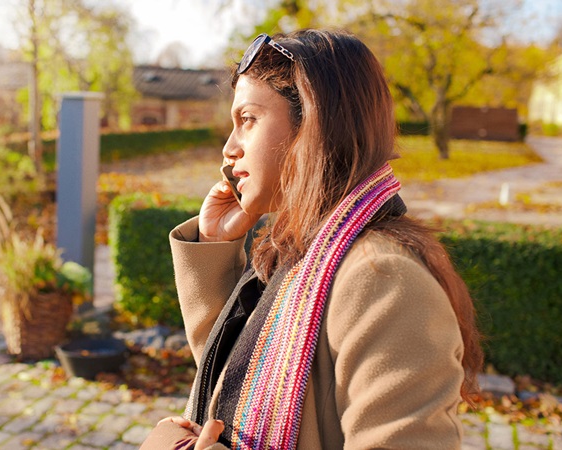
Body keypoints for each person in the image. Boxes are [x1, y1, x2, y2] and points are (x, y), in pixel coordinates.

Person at [140, 28, 483, 449]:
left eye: (247, 119)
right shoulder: (304, 247)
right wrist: (213, 246)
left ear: (315, 125)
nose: (229, 148)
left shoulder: (383, 279)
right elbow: (236, 382)